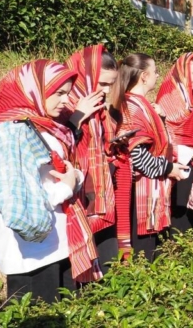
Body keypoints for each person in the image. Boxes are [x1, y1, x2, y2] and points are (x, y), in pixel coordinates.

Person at [0, 60, 97, 301]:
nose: (66, 101)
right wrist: (67, 186)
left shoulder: (43, 127)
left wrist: (75, 178)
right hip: (33, 252)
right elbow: (17, 196)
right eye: (59, 93)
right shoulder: (14, 134)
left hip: (55, 243)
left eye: (68, 93)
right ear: (34, 90)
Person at [108, 53, 190, 261]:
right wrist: (169, 168)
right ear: (144, 76)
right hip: (141, 191)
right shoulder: (134, 107)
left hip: (151, 188)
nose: (157, 75)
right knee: (144, 254)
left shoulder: (139, 104)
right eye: (154, 71)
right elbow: (137, 156)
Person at [64, 45, 120, 273]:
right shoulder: (64, 104)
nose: (106, 90)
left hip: (98, 189)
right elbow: (57, 146)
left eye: (110, 84)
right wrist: (77, 117)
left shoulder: (98, 107)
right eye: (103, 83)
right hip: (74, 192)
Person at [156, 51, 193, 233]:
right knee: (179, 207)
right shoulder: (169, 96)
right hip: (177, 159)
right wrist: (189, 152)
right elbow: (166, 131)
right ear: (182, 72)